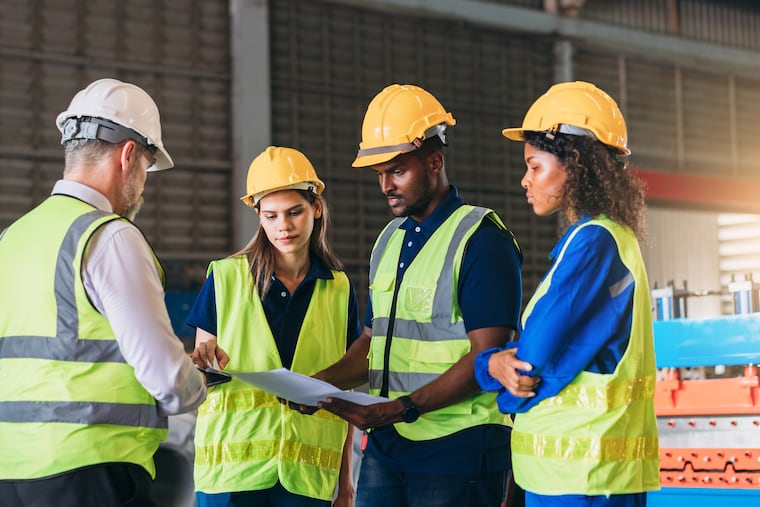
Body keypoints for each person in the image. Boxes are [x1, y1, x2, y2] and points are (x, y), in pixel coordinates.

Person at [312, 84, 524, 507]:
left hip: (458, 449)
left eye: (397, 171)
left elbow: (489, 357)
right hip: (389, 447)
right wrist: (317, 386)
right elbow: (373, 342)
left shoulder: (481, 240)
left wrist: (401, 407)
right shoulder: (389, 240)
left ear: (433, 161)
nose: (386, 185)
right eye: (380, 175)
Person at [0, 77, 207, 506]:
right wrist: (199, 383)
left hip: (11, 472)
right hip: (91, 470)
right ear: (128, 155)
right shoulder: (110, 237)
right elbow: (167, 380)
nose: (143, 184)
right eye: (147, 167)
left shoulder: (12, 239)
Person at [474, 81, 660, 506]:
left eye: (535, 166)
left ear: (575, 166)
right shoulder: (609, 240)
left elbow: (527, 369)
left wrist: (489, 367)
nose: (525, 180)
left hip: (581, 481)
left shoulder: (594, 244)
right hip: (587, 477)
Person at [187, 146, 362, 507]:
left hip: (307, 480)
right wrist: (201, 361)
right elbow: (204, 371)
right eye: (271, 215)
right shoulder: (225, 278)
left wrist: (345, 484)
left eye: (294, 212)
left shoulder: (339, 289)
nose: (283, 226)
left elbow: (341, 392)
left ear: (316, 207)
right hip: (231, 477)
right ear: (259, 216)